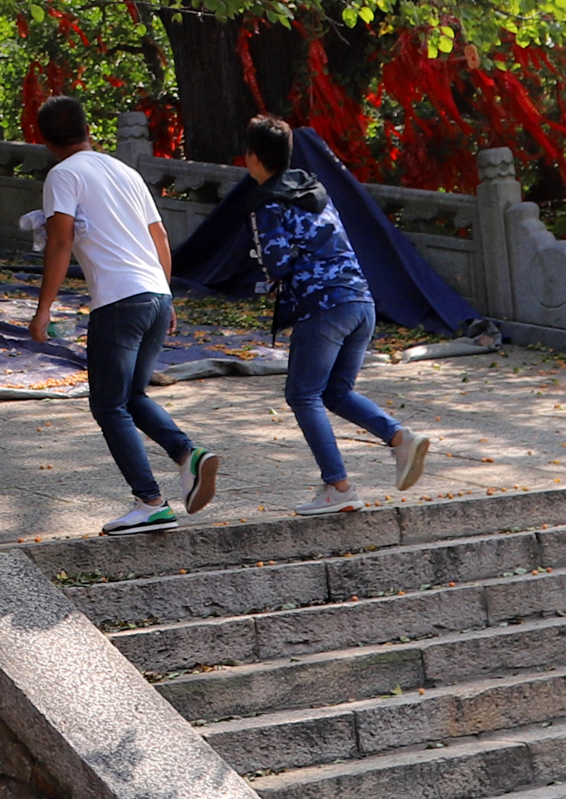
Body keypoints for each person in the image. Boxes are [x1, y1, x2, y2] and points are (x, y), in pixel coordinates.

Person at [25, 94, 216, 533]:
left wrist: (43, 309)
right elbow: (160, 236)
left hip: (118, 301)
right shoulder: (124, 170)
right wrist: (165, 296)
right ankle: (189, 457)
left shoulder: (63, 174)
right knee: (133, 396)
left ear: (43, 138)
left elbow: (59, 241)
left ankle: (150, 501)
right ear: (88, 128)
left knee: (108, 405)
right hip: (155, 294)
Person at [236, 116, 435, 515]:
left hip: (322, 307)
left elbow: (275, 264)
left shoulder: (266, 202)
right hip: (361, 302)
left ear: (252, 158)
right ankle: (399, 438)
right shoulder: (316, 189)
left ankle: (338, 486)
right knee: (335, 392)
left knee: (302, 394)